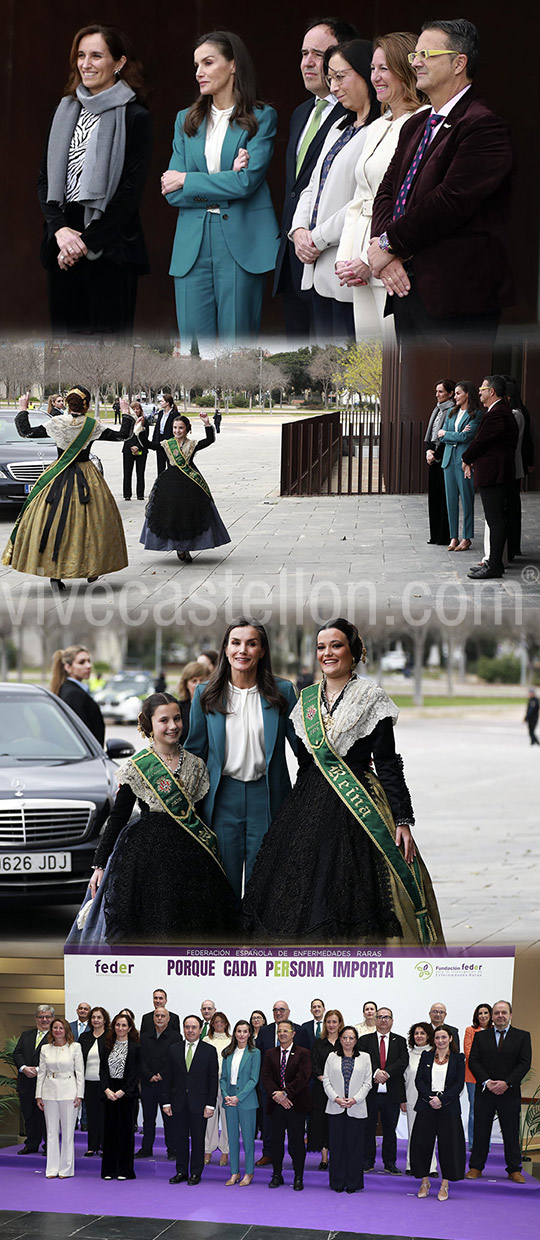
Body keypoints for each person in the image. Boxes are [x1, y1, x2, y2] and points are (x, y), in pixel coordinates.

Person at [243, 618, 442, 944]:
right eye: (321, 647)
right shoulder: (305, 700)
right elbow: (305, 764)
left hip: (358, 805)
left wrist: (402, 818)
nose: (327, 653)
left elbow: (388, 762)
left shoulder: (371, 697)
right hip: (310, 802)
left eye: (336, 645)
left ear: (354, 651)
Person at [369, 19, 513, 342]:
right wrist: (382, 244)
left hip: (455, 297)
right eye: (414, 55)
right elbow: (388, 190)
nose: (416, 61)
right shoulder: (415, 125)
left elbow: (450, 201)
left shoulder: (483, 125)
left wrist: (390, 243)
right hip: (405, 288)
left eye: (427, 53)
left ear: (459, 63)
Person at [69, 693, 238, 944]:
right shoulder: (136, 767)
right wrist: (100, 865)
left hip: (189, 857)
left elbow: (200, 816)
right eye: (164, 720)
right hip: (145, 858)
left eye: (177, 719)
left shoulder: (196, 765)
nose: (172, 726)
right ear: (149, 725)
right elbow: (118, 818)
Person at [162, 30, 280, 346]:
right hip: (192, 243)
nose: (199, 72)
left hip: (242, 242)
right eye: (196, 64)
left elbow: (246, 182)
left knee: (236, 347)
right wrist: (225, 178)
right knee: (193, 347)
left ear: (232, 65)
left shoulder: (262, 117)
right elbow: (171, 191)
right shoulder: (184, 120)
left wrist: (189, 180)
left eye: (208, 62)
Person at [37, 24, 152, 337]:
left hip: (110, 246)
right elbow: (45, 180)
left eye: (96, 56)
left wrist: (85, 243)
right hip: (62, 243)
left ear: (119, 63)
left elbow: (130, 192)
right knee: (66, 351)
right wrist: (59, 230)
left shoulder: (136, 117)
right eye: (81, 55)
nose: (86, 63)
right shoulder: (64, 110)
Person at [186, 619, 298, 902]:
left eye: (251, 643)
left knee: (266, 884)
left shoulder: (283, 692)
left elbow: (304, 749)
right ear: (225, 649)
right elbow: (193, 753)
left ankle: (260, 944)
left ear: (262, 651)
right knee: (225, 884)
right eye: (236, 643)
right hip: (223, 799)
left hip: (268, 796)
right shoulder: (205, 694)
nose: (242, 650)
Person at [335, 31, 426, 339]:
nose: (376, 77)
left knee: (392, 362)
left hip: (390, 263)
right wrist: (348, 259)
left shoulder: (424, 121)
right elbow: (361, 199)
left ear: (406, 69)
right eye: (373, 68)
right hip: (363, 267)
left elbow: (407, 200)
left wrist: (368, 258)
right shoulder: (376, 125)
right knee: (368, 364)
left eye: (384, 68)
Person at [273, 16, 358, 339]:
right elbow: (298, 189)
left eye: (318, 55)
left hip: (332, 258)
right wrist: (296, 232)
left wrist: (316, 237)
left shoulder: (358, 115)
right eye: (303, 53)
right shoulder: (300, 113)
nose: (307, 62)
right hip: (294, 254)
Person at [290, 39, 378, 341]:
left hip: (346, 265)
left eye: (341, 76)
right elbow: (313, 185)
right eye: (330, 78)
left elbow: (363, 201)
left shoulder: (380, 130)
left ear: (367, 74)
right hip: (316, 266)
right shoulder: (340, 126)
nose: (334, 85)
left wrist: (315, 238)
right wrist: (298, 230)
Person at [2, 388, 133, 590]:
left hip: (58, 476)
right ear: (87, 405)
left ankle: (55, 574)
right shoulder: (92, 426)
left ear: (68, 405)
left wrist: (22, 408)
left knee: (54, 522)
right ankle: (93, 568)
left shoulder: (56, 423)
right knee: (93, 523)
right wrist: (125, 413)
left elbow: (26, 431)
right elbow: (123, 435)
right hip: (87, 477)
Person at [138, 411, 231, 564]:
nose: (177, 431)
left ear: (187, 429)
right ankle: (176, 546)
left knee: (189, 516)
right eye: (175, 428)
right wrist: (140, 429)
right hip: (170, 484)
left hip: (190, 484)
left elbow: (209, 440)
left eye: (180, 428)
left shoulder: (192, 445)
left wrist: (207, 423)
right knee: (171, 515)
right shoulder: (167, 444)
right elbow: (148, 444)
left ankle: (185, 547)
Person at [466, 999, 532, 1184]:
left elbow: (524, 1063)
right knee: (481, 1130)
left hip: (509, 1093)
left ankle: (514, 1169)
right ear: (492, 1017)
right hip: (485, 1091)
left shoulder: (522, 1036)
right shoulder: (481, 1036)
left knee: (511, 1132)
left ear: (510, 1015)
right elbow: (474, 1062)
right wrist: (487, 1082)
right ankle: (476, 1167)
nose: (500, 1016)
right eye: (496, 1013)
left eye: (504, 1012)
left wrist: (507, 1083)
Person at [463, 376, 519, 580]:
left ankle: (494, 565)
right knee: (495, 519)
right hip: (498, 473)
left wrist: (466, 458)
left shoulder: (497, 414)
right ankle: (493, 562)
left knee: (495, 520)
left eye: (482, 388)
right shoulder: (499, 411)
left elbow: (481, 441)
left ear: (492, 391)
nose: (479, 392)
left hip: (495, 474)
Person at [411, 1025, 466, 1201]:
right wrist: (430, 1098)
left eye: (443, 1037)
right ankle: (425, 1182)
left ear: (450, 1038)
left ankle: (444, 1185)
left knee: (448, 1146)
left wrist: (442, 1100)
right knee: (422, 1144)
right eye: (437, 1038)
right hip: (427, 1105)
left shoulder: (458, 1059)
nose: (440, 1041)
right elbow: (419, 1081)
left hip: (448, 1107)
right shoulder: (426, 1056)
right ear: (433, 1040)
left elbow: (459, 1084)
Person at [163, 1015, 219, 1186]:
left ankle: (195, 1172)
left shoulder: (209, 1051)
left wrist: (210, 1104)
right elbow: (168, 1078)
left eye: (194, 1027)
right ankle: (181, 1171)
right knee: (179, 1139)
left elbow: (212, 1080)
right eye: (187, 1027)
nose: (190, 1030)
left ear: (200, 1029)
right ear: (183, 1029)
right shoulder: (174, 1049)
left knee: (197, 1139)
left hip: (199, 1104)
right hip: (178, 1103)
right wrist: (166, 1102)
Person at [254, 1001, 310, 1168]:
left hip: (294, 1092)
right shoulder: (264, 1031)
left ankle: (296, 1163)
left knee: (295, 1131)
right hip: (270, 1090)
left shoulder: (300, 1030)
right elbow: (261, 1061)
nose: (278, 1012)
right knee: (269, 1125)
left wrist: (286, 1092)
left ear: (288, 1012)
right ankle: (268, 1154)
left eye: (282, 1010)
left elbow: (304, 1064)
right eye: (275, 1010)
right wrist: (274, 1092)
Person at [261, 1019, 312, 1191]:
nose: (282, 1034)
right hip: (275, 1104)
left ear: (293, 1033)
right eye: (279, 1031)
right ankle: (277, 1175)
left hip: (296, 1105)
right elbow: (266, 1077)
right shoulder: (270, 1053)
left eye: (285, 1031)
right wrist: (277, 1094)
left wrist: (286, 1093)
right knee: (276, 1142)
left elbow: (303, 1077)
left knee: (296, 1143)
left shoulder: (303, 1053)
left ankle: (298, 1176)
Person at [359, 1006, 408, 1174]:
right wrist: (375, 1072)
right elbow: (362, 1060)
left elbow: (403, 1062)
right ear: (375, 1020)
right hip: (370, 1093)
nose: (383, 1020)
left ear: (392, 1021)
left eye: (387, 1017)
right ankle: (367, 1161)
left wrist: (386, 1073)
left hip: (392, 1093)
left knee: (390, 1130)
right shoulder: (365, 1040)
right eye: (380, 1017)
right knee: (368, 1129)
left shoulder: (400, 1041)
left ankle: (390, 1163)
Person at [323, 1025, 372, 1193]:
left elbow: (367, 1083)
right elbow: (326, 1081)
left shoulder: (365, 1058)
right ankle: (337, 1182)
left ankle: (353, 1183)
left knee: (355, 1147)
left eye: (351, 1038)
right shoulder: (332, 1057)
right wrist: (336, 1098)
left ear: (356, 1040)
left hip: (356, 1108)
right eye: (344, 1037)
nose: (347, 1041)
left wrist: (354, 1099)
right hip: (335, 1107)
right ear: (340, 1039)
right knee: (337, 1147)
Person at [35, 1017, 84, 1179]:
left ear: (66, 1030)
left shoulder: (75, 1047)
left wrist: (80, 1094)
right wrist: (38, 1095)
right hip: (49, 1092)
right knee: (51, 1132)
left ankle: (66, 1169)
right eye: (55, 1028)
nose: (57, 1031)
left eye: (61, 1028)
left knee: (68, 1132)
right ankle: (51, 1169)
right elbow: (41, 1073)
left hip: (69, 1092)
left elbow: (80, 1073)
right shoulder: (45, 1049)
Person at [439, 381, 483, 551]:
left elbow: (466, 437)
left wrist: (449, 435)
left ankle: (467, 537)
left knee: (467, 499)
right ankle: (453, 537)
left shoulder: (476, 415)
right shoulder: (451, 412)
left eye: (458, 393)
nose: (455, 396)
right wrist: (453, 435)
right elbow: (441, 435)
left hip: (464, 462)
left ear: (467, 395)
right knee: (451, 501)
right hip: (448, 461)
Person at [100, 1011, 141, 1180]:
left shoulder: (136, 1047)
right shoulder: (107, 1045)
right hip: (109, 1092)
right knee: (109, 1132)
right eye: (118, 1025)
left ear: (130, 1027)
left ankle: (125, 1170)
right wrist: (107, 1089)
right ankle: (109, 1170)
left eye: (124, 1025)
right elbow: (102, 1070)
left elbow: (136, 1073)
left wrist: (122, 1091)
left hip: (127, 1093)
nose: (120, 1028)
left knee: (125, 1133)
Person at [137, 1008, 182, 1160]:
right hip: (148, 1083)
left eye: (163, 1016)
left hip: (166, 1085)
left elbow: (175, 1061)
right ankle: (146, 1148)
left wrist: (161, 1075)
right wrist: (149, 1075)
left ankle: (172, 1149)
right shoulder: (144, 1037)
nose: (160, 1018)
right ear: (153, 1018)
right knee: (148, 1119)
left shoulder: (176, 1037)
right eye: (157, 1016)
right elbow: (140, 1059)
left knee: (169, 1119)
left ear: (169, 1019)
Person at [221, 1019, 261, 1185]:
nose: (242, 1034)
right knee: (232, 1138)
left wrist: (239, 1097)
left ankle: (249, 1173)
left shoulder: (255, 1052)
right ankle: (234, 1172)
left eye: (245, 1031)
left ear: (249, 1033)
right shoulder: (228, 1053)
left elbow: (254, 1079)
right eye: (239, 1031)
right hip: (230, 1100)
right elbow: (223, 1078)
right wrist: (225, 1095)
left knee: (247, 1139)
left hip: (246, 1101)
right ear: (234, 1033)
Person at [13, 1005, 54, 1155]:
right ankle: (31, 1144)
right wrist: (23, 1068)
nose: (44, 1019)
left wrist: (37, 1070)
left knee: (46, 1117)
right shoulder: (26, 1035)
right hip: (26, 1083)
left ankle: (49, 1146)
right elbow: (17, 1053)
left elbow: (57, 1060)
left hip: (45, 1084)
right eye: (41, 1016)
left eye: (47, 1017)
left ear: (52, 1019)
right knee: (28, 1114)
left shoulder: (56, 1037)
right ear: (36, 1018)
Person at [309, 1009, 344, 1171]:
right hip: (321, 1090)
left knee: (337, 1124)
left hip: (342, 1091)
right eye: (328, 1022)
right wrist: (325, 1080)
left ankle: (337, 1157)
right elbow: (314, 1066)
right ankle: (324, 1159)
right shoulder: (318, 1043)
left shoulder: (346, 1042)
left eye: (334, 1022)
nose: (331, 1025)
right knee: (322, 1123)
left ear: (340, 1023)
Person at [50, 645, 105, 745]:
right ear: (68, 667)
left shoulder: (69, 690)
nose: (88, 666)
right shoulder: (73, 694)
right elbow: (82, 733)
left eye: (89, 661)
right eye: (81, 662)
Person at [424, 381, 455, 546]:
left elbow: (446, 436)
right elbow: (430, 435)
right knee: (434, 498)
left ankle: (444, 535)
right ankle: (435, 534)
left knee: (444, 498)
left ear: (450, 393)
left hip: (444, 459)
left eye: (441, 391)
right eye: (436, 391)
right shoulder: (437, 409)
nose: (437, 394)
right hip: (433, 458)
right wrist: (428, 451)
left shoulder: (452, 411)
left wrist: (435, 455)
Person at [403, 1022, 436, 1174]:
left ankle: (431, 1167)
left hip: (430, 1099)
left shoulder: (435, 1054)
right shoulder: (407, 1055)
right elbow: (403, 1079)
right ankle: (411, 1164)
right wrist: (402, 1099)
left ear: (428, 1036)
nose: (419, 1036)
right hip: (411, 1097)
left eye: (422, 1033)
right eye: (416, 1033)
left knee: (429, 1133)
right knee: (412, 1131)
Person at [79, 1006, 110, 1156]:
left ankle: (105, 1146)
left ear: (105, 1020)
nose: (96, 1020)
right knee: (91, 1115)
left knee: (105, 1116)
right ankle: (92, 1146)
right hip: (88, 1082)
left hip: (105, 1084)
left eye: (99, 1017)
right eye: (93, 1017)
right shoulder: (84, 1037)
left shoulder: (111, 1036)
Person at [203, 1012, 231, 1166]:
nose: (219, 1024)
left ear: (226, 1023)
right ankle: (208, 1148)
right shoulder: (206, 1040)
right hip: (209, 1084)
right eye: (216, 1021)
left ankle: (225, 1151)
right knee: (209, 1118)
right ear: (212, 1024)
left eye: (222, 1021)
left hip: (228, 1085)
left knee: (227, 1119)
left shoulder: (233, 1040)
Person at [463, 1003, 493, 1148]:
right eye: (480, 1013)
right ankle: (474, 1143)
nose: (483, 1016)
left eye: (486, 1013)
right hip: (472, 1077)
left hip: (492, 1078)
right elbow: (469, 1054)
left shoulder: (495, 1031)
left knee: (488, 1110)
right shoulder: (470, 1030)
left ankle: (486, 1144)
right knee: (475, 1109)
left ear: (490, 1015)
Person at [122, 399, 148, 501]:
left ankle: (140, 494)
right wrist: (131, 446)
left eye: (138, 409)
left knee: (140, 473)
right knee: (127, 472)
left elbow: (145, 436)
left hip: (141, 450)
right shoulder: (128, 420)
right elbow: (125, 435)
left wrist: (138, 446)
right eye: (134, 409)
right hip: (128, 450)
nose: (136, 411)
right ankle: (127, 494)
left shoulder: (144, 421)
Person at [150, 395, 181, 477]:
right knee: (160, 465)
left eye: (162, 401)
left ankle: (171, 483)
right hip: (160, 440)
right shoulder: (160, 413)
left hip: (170, 441)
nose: (160, 403)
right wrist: (154, 442)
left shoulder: (175, 414)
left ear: (167, 403)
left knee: (171, 464)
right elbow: (157, 428)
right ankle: (160, 483)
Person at [178, 661, 208, 734]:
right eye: (194, 681)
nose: (198, 685)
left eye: (202, 680)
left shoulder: (215, 707)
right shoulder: (179, 708)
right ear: (186, 684)